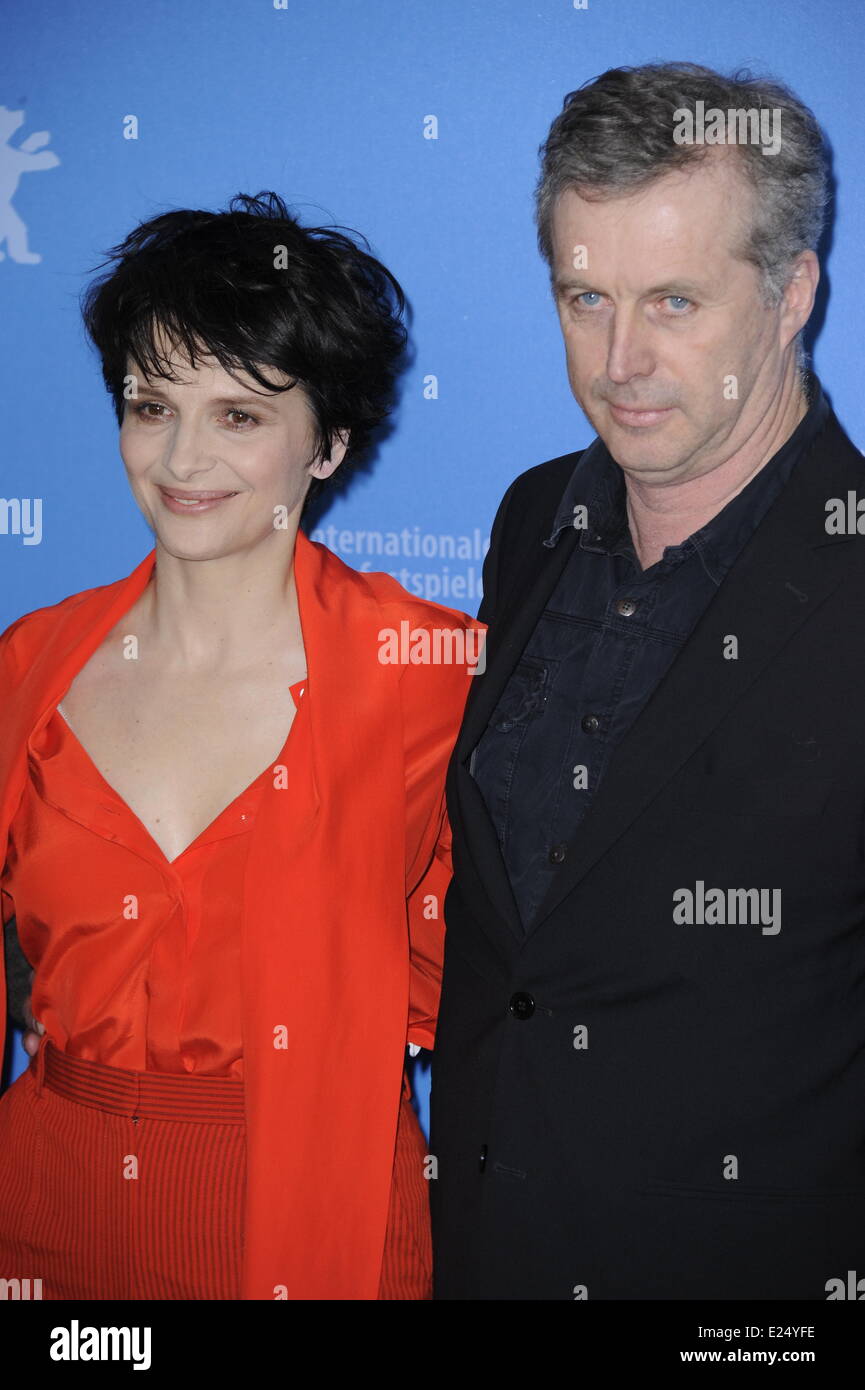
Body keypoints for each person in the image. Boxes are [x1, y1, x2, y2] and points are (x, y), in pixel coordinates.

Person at [429, 62, 865, 1300]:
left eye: (673, 299)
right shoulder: (531, 519)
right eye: (584, 298)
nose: (619, 359)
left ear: (791, 294)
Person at [0, 191, 483, 1300]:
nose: (180, 457)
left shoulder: (433, 675)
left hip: (305, 1215)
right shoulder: (29, 664)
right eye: (150, 404)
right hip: (42, 1206)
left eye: (240, 415)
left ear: (330, 444)